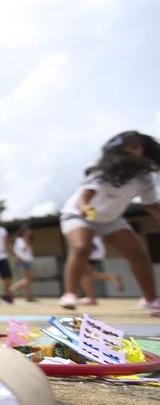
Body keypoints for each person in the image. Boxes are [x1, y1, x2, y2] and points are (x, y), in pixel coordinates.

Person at [58, 130, 160, 312]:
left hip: (111, 219)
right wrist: (84, 208)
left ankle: (150, 300)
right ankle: (70, 294)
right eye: (129, 148)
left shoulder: (144, 179)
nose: (133, 152)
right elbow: (85, 195)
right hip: (79, 215)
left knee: (137, 254)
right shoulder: (103, 172)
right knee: (82, 247)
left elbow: (152, 205)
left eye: (137, 148)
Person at [78, 235, 124, 306]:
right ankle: (91, 298)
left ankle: (92, 298)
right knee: (84, 273)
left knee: (82, 272)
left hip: (89, 244)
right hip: (91, 244)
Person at [8, 224, 36, 302]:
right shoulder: (20, 240)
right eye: (28, 231)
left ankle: (28, 297)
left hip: (27, 260)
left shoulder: (22, 239)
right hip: (24, 260)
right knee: (28, 279)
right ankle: (11, 290)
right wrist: (26, 240)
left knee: (28, 279)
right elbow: (23, 249)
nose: (30, 232)